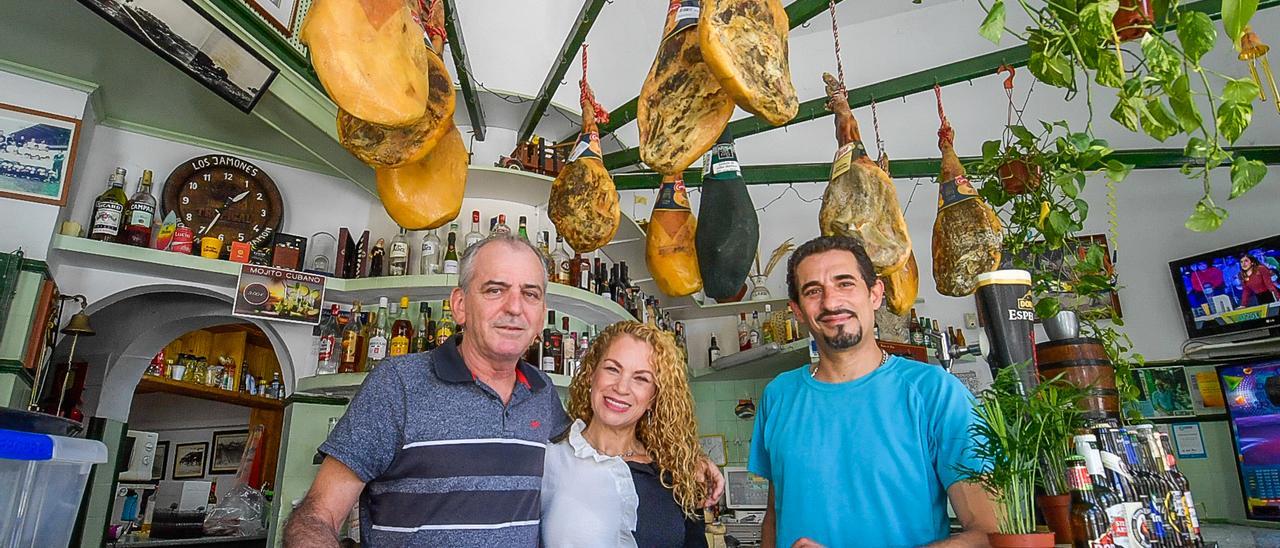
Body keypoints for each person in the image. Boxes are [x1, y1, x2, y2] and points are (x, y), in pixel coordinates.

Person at [284, 233, 722, 547]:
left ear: (541, 313)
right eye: (495, 290)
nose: (514, 307)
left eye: (529, 294)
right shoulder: (398, 384)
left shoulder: (542, 395)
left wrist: (686, 460)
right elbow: (316, 516)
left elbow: (608, 438)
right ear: (460, 306)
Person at [749, 235, 996, 547]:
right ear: (797, 311)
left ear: (875, 293)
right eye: (813, 291)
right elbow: (775, 516)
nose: (830, 302)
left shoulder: (935, 392)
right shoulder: (778, 395)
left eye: (845, 283)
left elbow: (988, 533)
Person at [541, 321, 707, 547]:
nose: (621, 387)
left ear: (654, 398)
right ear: (591, 374)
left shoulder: (676, 475)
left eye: (641, 378)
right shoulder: (549, 460)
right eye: (612, 369)